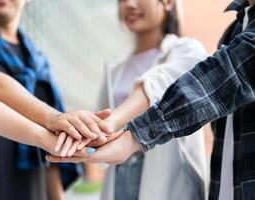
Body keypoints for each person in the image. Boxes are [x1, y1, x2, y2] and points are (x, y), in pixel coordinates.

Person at [47, 0, 255, 199]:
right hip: (120, 177)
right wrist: (86, 134)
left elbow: (161, 85)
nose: (129, 4)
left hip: (167, 182)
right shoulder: (114, 69)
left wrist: (109, 127)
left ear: (168, 2)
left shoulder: (187, 50)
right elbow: (97, 120)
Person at [0, 0, 111, 199]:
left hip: (30, 190)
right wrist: (52, 116)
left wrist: (57, 196)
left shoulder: (36, 61)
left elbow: (49, 149)